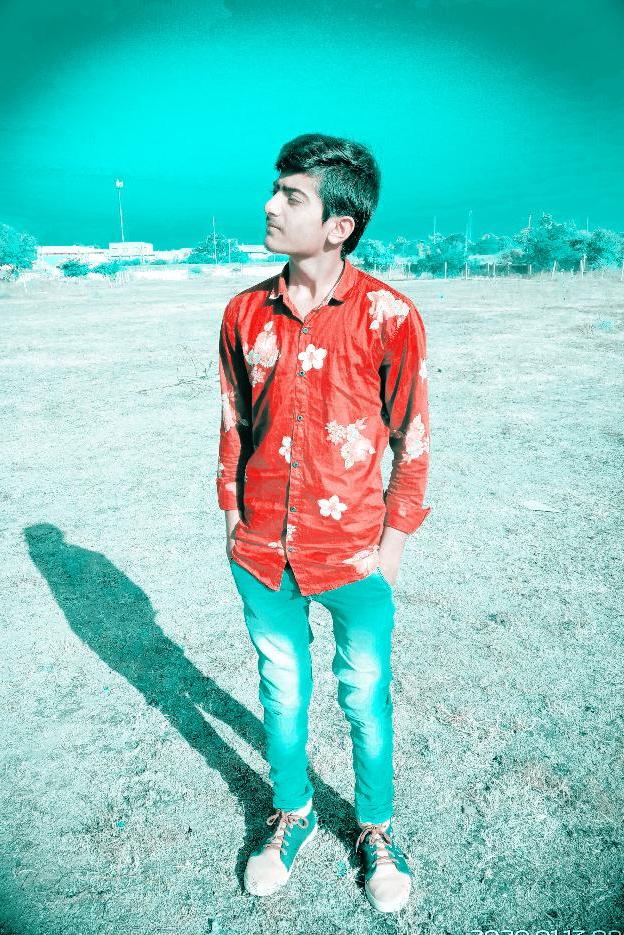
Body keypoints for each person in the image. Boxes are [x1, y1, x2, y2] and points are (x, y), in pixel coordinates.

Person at [216, 132, 431, 913]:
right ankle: (293, 811)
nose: (270, 205)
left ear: (339, 225)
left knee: (365, 697)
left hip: (354, 555)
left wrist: (392, 547)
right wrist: (233, 519)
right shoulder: (244, 312)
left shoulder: (389, 315)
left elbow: (413, 436)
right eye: (276, 190)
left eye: (292, 196)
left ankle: (375, 828)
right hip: (261, 551)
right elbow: (234, 422)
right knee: (281, 691)